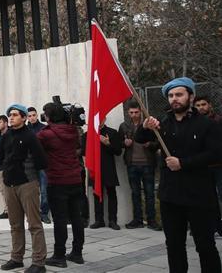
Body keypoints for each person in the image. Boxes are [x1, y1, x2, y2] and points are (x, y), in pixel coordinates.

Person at [136, 77, 221, 273]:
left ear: (190, 96)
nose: (174, 99)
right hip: (170, 196)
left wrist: (183, 163)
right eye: (171, 95)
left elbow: (216, 153)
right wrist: (145, 126)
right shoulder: (163, 123)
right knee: (174, 246)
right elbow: (140, 138)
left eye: (179, 94)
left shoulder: (206, 124)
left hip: (199, 196)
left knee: (205, 246)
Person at [0, 104, 47, 273]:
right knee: (15, 224)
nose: (11, 118)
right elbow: (0, 158)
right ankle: (16, 258)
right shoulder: (6, 135)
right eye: (10, 115)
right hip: (9, 184)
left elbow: (42, 161)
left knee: (34, 224)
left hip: (27, 184)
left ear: (24, 118)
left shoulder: (30, 136)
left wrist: (28, 171)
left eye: (15, 115)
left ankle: (39, 263)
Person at [37, 102, 85, 268]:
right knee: (76, 217)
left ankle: (59, 255)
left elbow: (35, 146)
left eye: (45, 114)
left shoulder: (47, 134)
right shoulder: (73, 130)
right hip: (75, 179)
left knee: (60, 220)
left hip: (57, 181)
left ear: (49, 116)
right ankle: (77, 253)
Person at [120, 101, 161, 230]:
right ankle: (137, 219)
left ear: (141, 112)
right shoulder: (124, 126)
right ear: (128, 113)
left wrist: (150, 145)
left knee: (150, 193)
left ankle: (151, 220)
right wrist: (124, 143)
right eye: (131, 112)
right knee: (135, 193)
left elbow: (159, 142)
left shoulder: (149, 124)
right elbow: (119, 142)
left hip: (147, 163)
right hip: (132, 163)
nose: (134, 115)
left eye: (136, 112)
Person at [85, 121, 123, 230]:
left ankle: (113, 220)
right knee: (97, 194)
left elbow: (118, 151)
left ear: (104, 118)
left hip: (108, 167)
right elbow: (84, 151)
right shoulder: (88, 134)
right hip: (94, 169)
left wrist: (108, 144)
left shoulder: (112, 132)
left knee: (111, 193)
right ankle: (99, 220)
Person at [195, 95, 222, 237]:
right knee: (209, 198)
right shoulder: (194, 123)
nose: (201, 107)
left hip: (219, 165)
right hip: (204, 166)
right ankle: (215, 225)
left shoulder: (218, 120)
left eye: (203, 104)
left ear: (209, 105)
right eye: (198, 105)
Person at [28, 107, 50, 224]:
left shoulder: (43, 128)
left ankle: (44, 213)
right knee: (30, 191)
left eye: (33, 115)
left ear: (37, 115)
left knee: (44, 190)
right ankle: (32, 214)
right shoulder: (25, 129)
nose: (32, 118)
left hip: (42, 164)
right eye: (29, 116)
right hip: (29, 164)